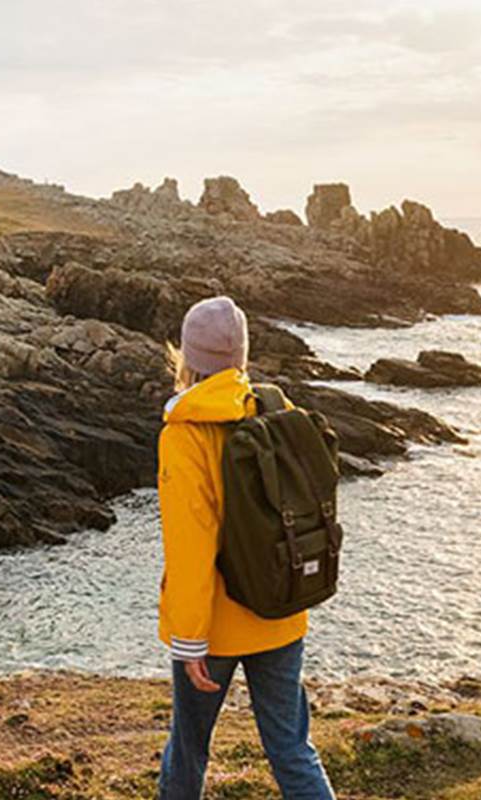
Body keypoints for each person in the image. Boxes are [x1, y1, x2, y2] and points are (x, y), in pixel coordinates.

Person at [157, 297, 337, 800]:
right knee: (292, 748)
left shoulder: (186, 434)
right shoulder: (278, 409)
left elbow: (191, 542)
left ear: (187, 356)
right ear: (241, 354)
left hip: (216, 626)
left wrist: (189, 638)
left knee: (188, 750)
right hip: (281, 609)